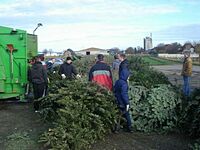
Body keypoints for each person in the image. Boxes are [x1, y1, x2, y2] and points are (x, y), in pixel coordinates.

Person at [114, 65, 132, 132]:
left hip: (117, 100)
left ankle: (116, 127)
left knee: (117, 114)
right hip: (122, 102)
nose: (129, 77)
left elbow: (114, 90)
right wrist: (127, 103)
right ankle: (129, 127)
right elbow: (124, 94)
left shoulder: (118, 81)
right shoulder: (124, 84)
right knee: (126, 114)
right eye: (128, 76)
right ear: (126, 75)